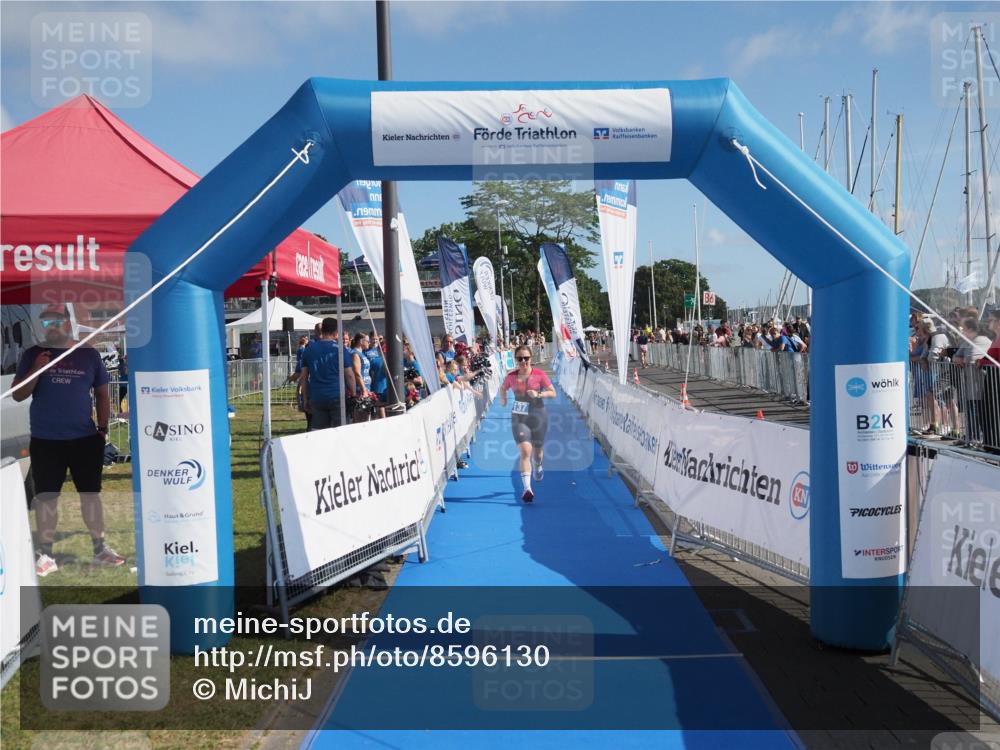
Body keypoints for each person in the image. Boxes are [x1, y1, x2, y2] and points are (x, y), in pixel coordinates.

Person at [11, 304, 126, 576]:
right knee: (47, 498)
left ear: (67, 322)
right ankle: (46, 555)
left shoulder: (87, 354)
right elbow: (18, 395)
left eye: (56, 321)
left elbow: (101, 393)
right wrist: (37, 369)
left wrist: (102, 429)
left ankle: (100, 549)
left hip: (85, 439)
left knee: (90, 496)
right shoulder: (34, 354)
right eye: (47, 322)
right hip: (46, 440)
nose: (52, 326)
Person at [499, 345, 556, 503]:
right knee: (525, 451)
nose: (523, 361)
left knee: (537, 452)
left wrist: (539, 393)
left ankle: (538, 465)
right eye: (519, 358)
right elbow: (502, 388)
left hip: (538, 416)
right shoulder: (511, 376)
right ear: (516, 360)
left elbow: (553, 392)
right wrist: (503, 399)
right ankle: (527, 489)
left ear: (531, 358)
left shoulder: (539, 374)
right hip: (519, 417)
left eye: (526, 358)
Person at [300, 317, 356, 430]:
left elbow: (304, 378)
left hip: (317, 397)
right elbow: (349, 375)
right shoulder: (340, 349)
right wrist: (354, 395)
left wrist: (305, 399)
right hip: (337, 396)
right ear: (336, 332)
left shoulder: (309, 349)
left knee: (319, 433)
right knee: (340, 432)